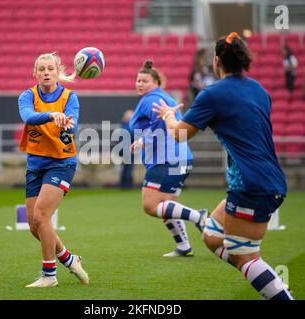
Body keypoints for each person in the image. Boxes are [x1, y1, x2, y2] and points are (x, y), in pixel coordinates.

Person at [152, 32, 294, 300]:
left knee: (246, 256)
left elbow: (180, 134)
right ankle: (274, 285)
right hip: (268, 178)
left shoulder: (212, 94)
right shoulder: (260, 90)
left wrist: (169, 117)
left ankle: (279, 294)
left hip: (251, 184)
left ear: (217, 61)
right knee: (212, 235)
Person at [18, 52, 89, 288]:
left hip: (62, 163)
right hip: (35, 164)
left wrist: (66, 124)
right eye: (41, 69)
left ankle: (49, 276)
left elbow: (73, 123)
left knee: (41, 216)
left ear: (58, 71)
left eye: (50, 68)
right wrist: (51, 115)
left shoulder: (70, 97)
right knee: (33, 226)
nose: (46, 72)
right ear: (35, 73)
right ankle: (70, 258)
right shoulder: (27, 96)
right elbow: (28, 116)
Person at [129, 60, 208, 258]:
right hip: (181, 157)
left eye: (144, 81)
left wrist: (142, 141)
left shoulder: (151, 99)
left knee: (150, 205)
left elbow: (159, 122)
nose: (139, 84)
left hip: (167, 159)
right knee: (166, 205)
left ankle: (200, 217)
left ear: (156, 82)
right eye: (138, 80)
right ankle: (183, 246)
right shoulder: (162, 97)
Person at [119, 109, 135, 188]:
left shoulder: (125, 125)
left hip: (127, 149)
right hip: (126, 149)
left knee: (127, 167)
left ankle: (125, 183)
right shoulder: (127, 126)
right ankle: (126, 184)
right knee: (128, 167)